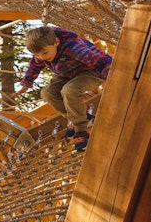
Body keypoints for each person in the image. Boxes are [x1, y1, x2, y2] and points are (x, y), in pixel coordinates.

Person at [13, 25, 112, 153]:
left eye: (45, 53)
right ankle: (80, 118)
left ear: (56, 42)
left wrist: (112, 78)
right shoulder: (42, 52)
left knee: (69, 90)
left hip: (92, 72)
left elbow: (100, 61)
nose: (42, 57)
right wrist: (26, 84)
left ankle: (81, 131)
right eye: (37, 54)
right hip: (67, 74)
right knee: (47, 93)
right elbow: (34, 66)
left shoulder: (73, 47)